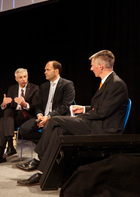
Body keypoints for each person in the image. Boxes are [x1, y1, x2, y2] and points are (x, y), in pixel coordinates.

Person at [16, 50, 129, 186]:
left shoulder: (117, 84)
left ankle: (40, 159)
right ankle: (43, 173)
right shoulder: (107, 82)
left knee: (54, 120)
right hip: (96, 121)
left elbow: (102, 112)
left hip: (103, 127)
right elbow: (102, 107)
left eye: (92, 65)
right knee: (58, 131)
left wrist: (83, 114)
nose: (91, 68)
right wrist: (84, 108)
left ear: (101, 66)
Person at [18, 61, 75, 156]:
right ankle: (49, 149)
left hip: (57, 118)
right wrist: (39, 115)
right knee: (23, 130)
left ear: (56, 71)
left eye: (47, 70)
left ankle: (42, 157)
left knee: (46, 131)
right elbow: (39, 105)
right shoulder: (44, 86)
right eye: (45, 70)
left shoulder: (67, 84)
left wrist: (48, 117)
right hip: (43, 117)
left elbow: (65, 106)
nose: (45, 72)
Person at [0, 68, 39, 164]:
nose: (23, 79)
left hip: (26, 115)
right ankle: (9, 146)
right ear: (16, 79)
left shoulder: (35, 88)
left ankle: (3, 151)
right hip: (13, 116)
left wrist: (25, 104)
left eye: (25, 76)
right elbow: (9, 105)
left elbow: (35, 107)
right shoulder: (12, 89)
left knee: (4, 120)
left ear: (27, 77)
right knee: (6, 113)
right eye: (21, 77)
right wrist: (3, 104)